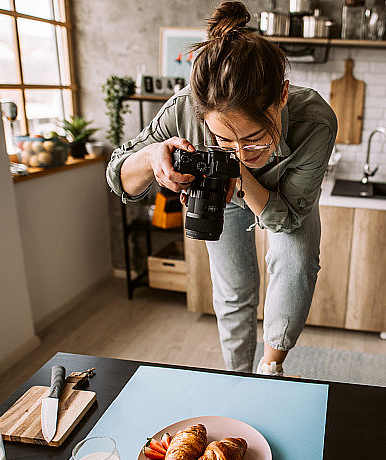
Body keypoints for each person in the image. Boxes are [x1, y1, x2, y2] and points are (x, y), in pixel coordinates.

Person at [106, 1, 337, 376]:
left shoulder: (315, 122)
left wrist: (236, 170)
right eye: (224, 142)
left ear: (281, 95)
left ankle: (269, 368)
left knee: (296, 260)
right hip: (222, 196)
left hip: (285, 202)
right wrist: (151, 159)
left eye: (255, 139)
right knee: (233, 289)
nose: (243, 153)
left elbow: (287, 218)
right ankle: (237, 375)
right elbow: (118, 176)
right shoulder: (184, 109)